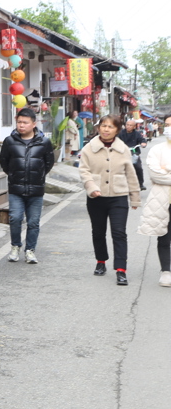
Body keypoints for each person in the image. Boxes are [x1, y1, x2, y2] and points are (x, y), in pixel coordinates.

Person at [79, 114, 141, 285]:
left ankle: (121, 269)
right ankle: (101, 261)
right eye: (103, 126)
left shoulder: (124, 149)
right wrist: (91, 188)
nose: (106, 129)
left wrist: (134, 198)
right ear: (98, 128)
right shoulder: (88, 148)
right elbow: (84, 171)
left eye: (110, 127)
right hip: (96, 197)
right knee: (98, 232)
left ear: (117, 130)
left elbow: (131, 174)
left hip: (118, 196)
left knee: (119, 233)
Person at [0, 108, 54, 264]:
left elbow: (49, 163)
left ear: (33, 124)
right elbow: (4, 161)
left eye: (25, 122)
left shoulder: (44, 142)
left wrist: (39, 176)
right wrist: (13, 175)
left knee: (33, 222)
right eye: (19, 122)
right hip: (16, 188)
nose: (21, 125)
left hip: (36, 190)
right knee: (15, 218)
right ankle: (15, 246)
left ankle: (30, 250)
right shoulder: (10, 141)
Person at [138, 115, 171, 287]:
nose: (168, 128)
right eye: (166, 125)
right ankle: (166, 271)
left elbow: (163, 174)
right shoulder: (157, 150)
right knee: (164, 237)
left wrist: (167, 169)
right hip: (162, 200)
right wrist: (163, 172)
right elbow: (155, 175)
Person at [118, 117, 147, 190]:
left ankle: (140, 184)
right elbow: (116, 140)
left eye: (130, 125)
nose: (128, 126)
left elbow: (142, 140)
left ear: (134, 126)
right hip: (122, 153)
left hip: (134, 153)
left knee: (138, 167)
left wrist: (143, 143)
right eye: (127, 124)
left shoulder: (137, 134)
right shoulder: (121, 133)